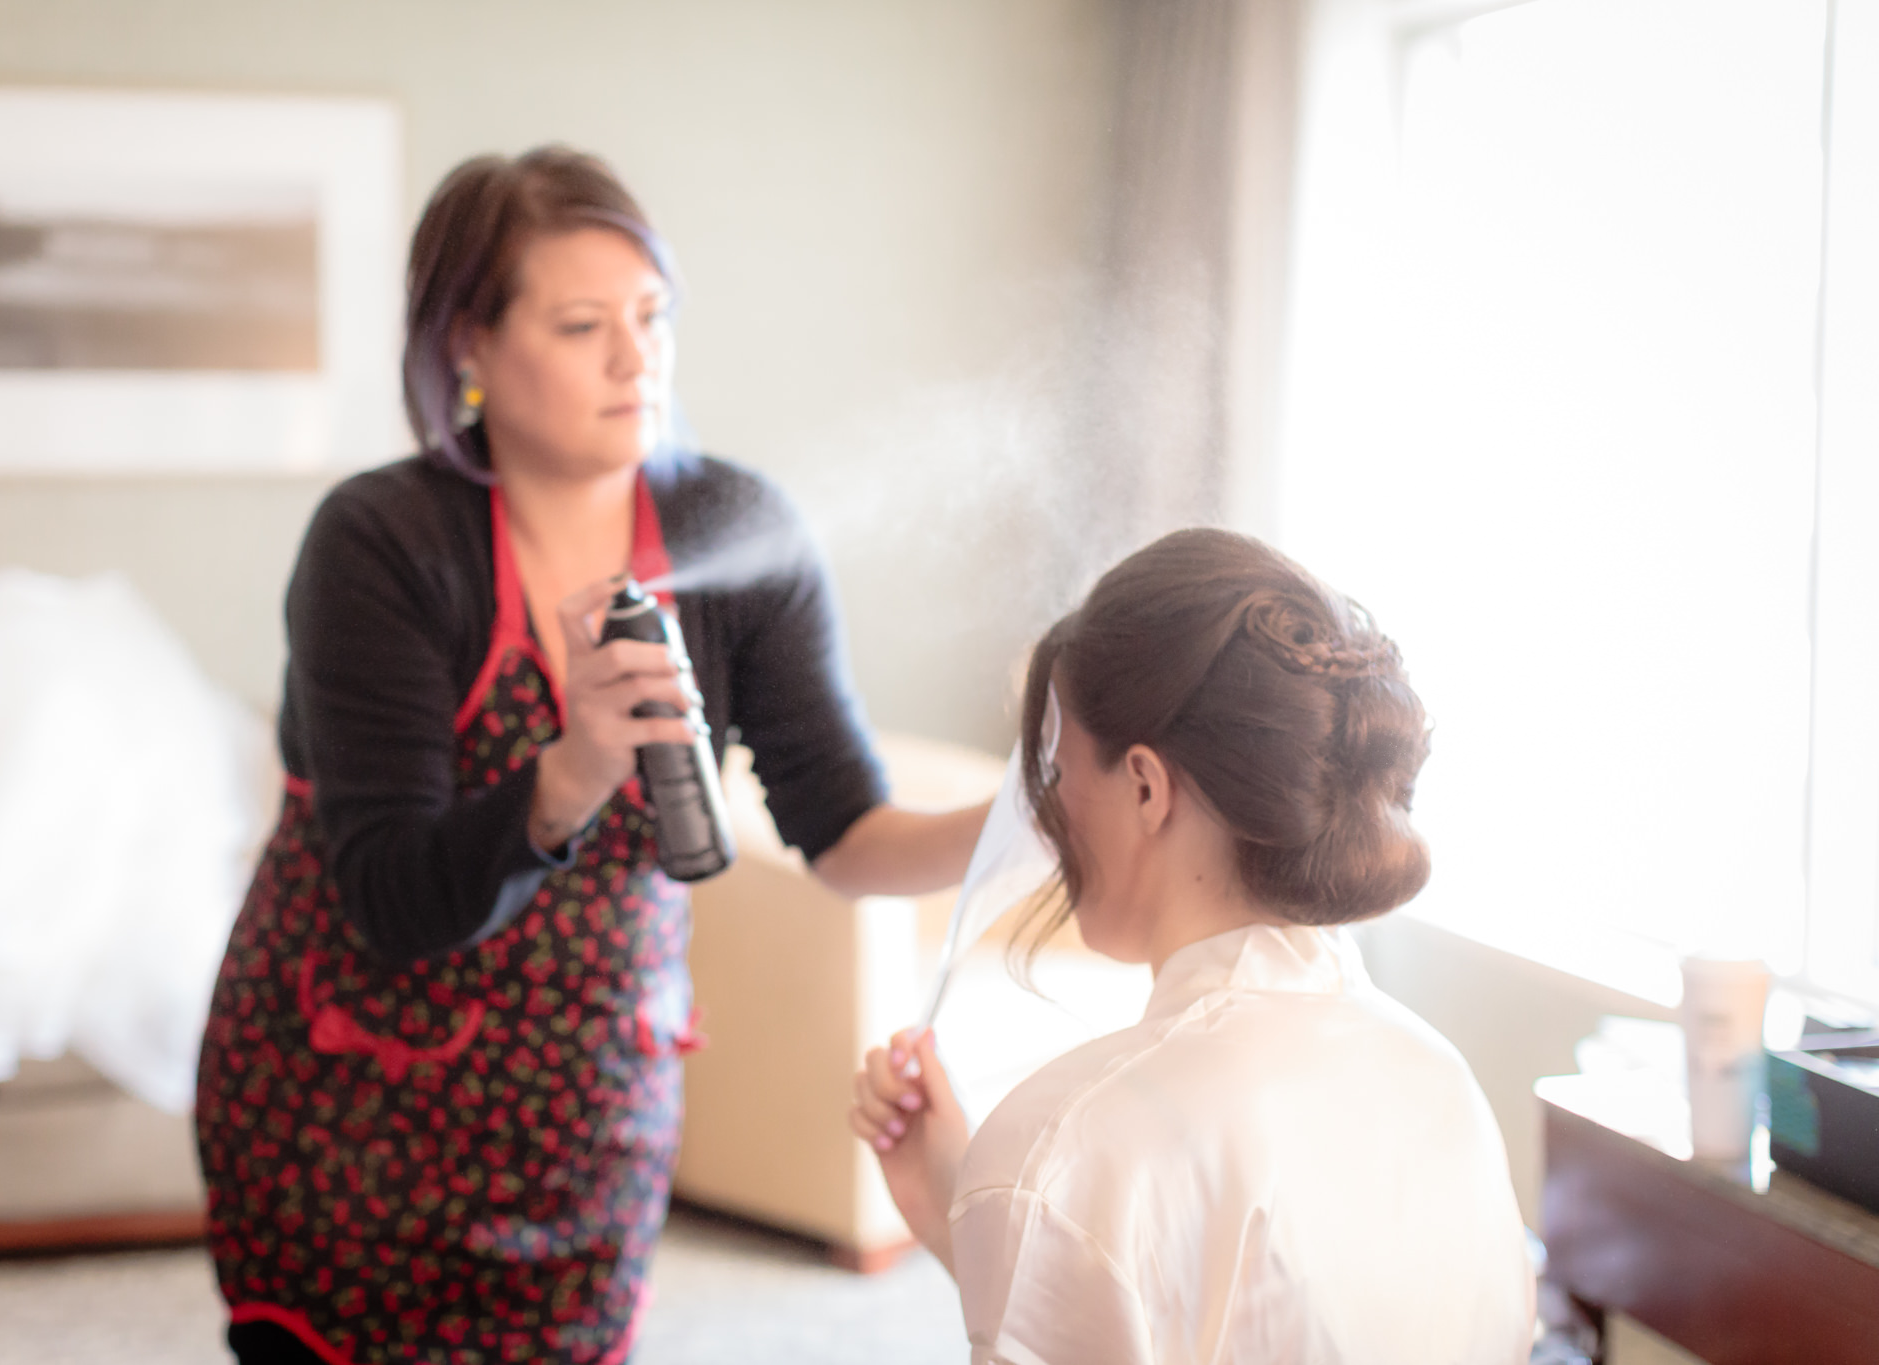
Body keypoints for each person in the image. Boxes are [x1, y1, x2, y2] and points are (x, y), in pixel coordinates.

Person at [195, 146, 986, 1365]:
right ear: (468, 344)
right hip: (347, 1130)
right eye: (580, 325)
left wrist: (1022, 821)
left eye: (652, 316)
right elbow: (392, 899)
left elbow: (842, 833)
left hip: (587, 1123)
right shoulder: (381, 545)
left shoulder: (737, 529)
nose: (637, 359)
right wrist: (568, 773)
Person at [851, 529, 1535, 1364]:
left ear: (1144, 784)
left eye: (1059, 774)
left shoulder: (1068, 1147)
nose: (1047, 817)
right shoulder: (1443, 1083)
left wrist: (1010, 1193)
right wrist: (956, 1203)